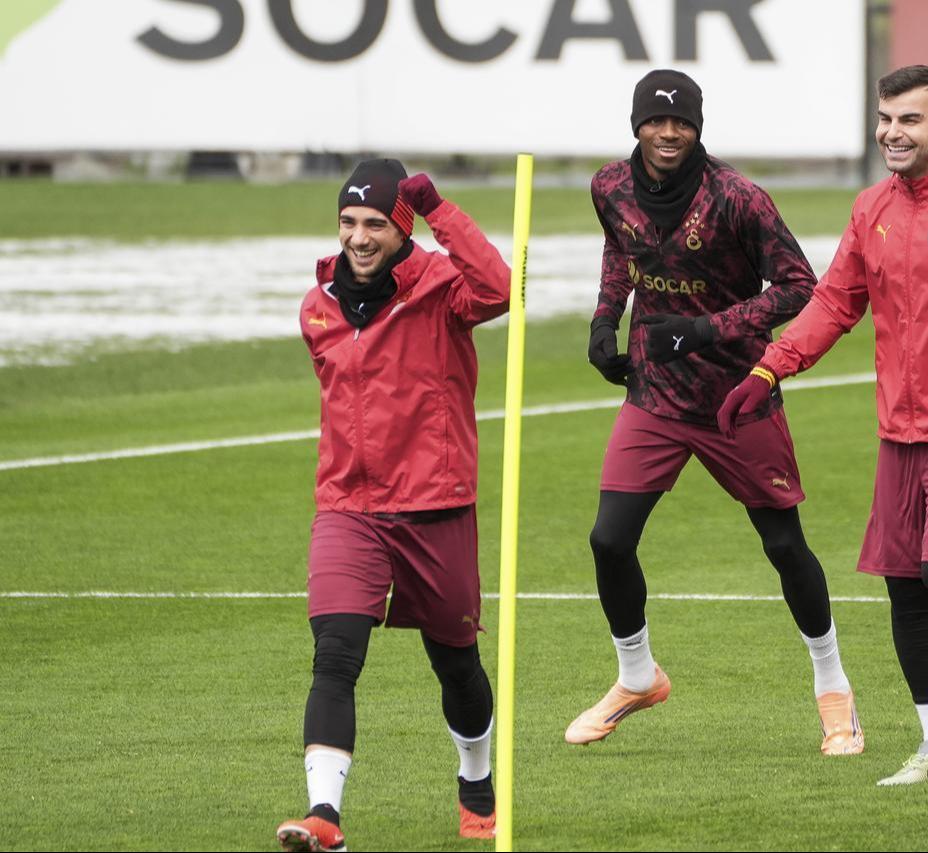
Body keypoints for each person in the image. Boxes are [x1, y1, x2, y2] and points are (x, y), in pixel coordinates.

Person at [718, 65, 928, 786]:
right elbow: (836, 302)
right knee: (906, 587)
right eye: (885, 119)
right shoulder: (872, 205)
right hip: (901, 430)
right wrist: (768, 369)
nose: (892, 134)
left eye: (909, 120)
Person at [567, 69, 864, 757]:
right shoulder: (608, 186)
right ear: (636, 123)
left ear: (698, 126)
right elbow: (621, 249)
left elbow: (799, 286)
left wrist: (708, 331)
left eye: (681, 123)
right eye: (655, 121)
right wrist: (604, 319)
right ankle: (637, 675)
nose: (668, 134)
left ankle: (834, 690)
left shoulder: (738, 198)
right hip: (655, 392)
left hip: (738, 395)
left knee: (784, 545)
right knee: (608, 539)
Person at [276, 159, 510, 851]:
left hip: (435, 506)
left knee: (456, 662)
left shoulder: (441, 287)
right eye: (348, 223)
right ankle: (325, 813)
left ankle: (475, 778)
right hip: (348, 506)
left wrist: (440, 208)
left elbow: (497, 289)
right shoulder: (315, 306)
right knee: (335, 653)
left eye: (375, 223)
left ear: (400, 228)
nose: (358, 237)